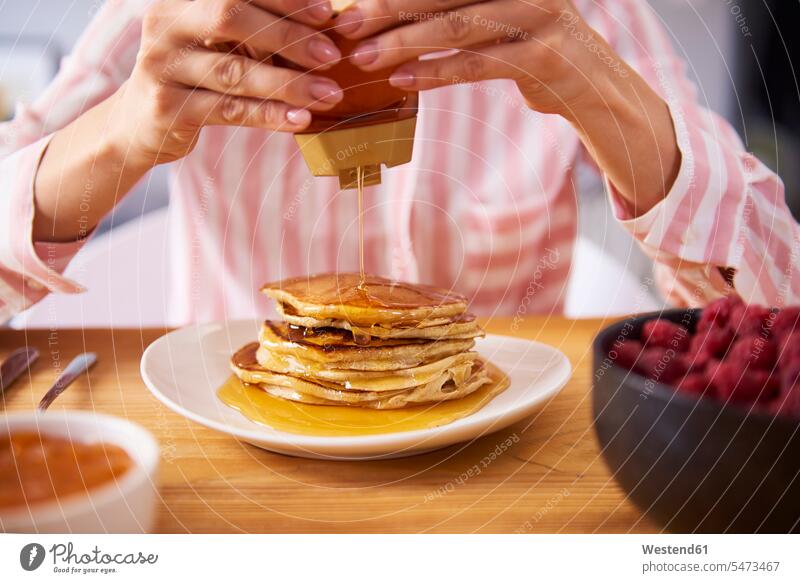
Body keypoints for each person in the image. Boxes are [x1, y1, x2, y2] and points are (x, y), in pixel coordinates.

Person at [0, 0, 797, 325]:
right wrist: (125, 129)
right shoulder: (180, 14)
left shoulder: (573, 10)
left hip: (509, 478)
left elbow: (776, 302)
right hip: (242, 460)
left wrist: (605, 97)